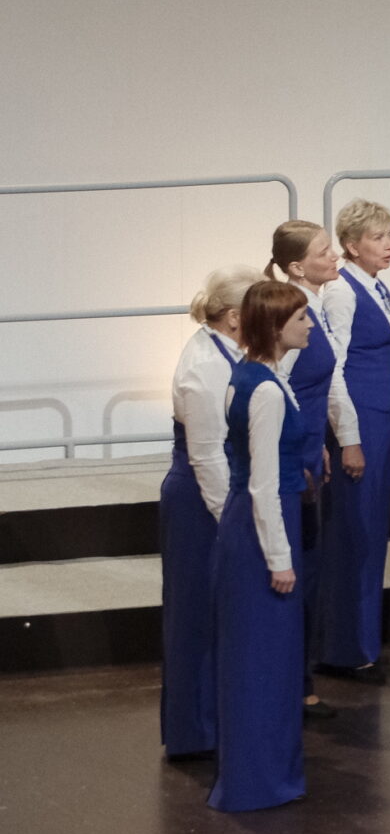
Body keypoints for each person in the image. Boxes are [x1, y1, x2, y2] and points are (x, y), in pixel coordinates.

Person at [208, 282, 313, 811]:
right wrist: (280, 558)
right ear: (275, 328)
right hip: (263, 529)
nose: (310, 326)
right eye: (300, 320)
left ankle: (266, 772)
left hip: (250, 524)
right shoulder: (267, 391)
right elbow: (263, 484)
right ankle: (258, 780)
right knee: (262, 660)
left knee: (262, 658)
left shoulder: (251, 375)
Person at [265, 222, 358, 714]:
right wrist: (299, 451)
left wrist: (335, 438)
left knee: (311, 571)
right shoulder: (291, 314)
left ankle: (299, 680)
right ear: (298, 267)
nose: (335, 255)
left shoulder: (315, 307)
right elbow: (277, 390)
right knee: (296, 573)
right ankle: (291, 685)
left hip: (309, 452)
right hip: (293, 461)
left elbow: (326, 381)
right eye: (325, 251)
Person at [162, 265, 254, 761]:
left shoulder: (230, 352)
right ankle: (195, 731)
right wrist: (232, 522)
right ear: (235, 317)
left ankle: (221, 721)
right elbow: (207, 458)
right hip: (201, 504)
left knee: (222, 612)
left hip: (222, 494)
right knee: (196, 614)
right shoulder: (203, 367)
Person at [314, 199, 390, 685]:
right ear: (351, 245)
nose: (388, 245)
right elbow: (335, 369)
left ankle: (361, 642)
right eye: (377, 238)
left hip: (379, 418)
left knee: (371, 531)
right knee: (353, 533)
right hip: (358, 420)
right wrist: (349, 438)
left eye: (389, 235)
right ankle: (344, 647)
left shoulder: (375, 284)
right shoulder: (341, 292)